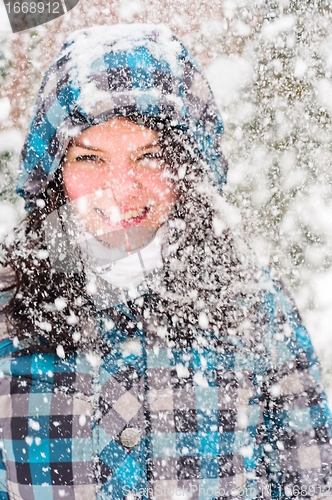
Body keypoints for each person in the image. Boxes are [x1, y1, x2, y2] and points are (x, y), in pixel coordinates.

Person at [0, 23, 331, 500]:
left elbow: (311, 483)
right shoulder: (9, 308)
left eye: (148, 157)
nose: (119, 188)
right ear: (53, 170)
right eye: (90, 159)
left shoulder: (255, 308)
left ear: (186, 166)